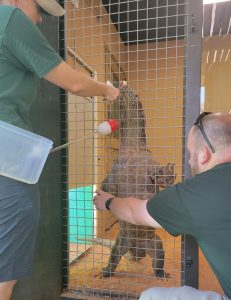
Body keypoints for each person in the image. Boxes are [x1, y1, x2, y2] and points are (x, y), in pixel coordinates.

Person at [0, 0, 119, 299]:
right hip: (7, 157)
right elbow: (74, 84)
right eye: (39, 9)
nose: (40, 20)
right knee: (5, 266)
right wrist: (106, 89)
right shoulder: (9, 17)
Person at [94, 112, 231, 300]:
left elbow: (136, 211)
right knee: (119, 247)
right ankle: (110, 268)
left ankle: (158, 271)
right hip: (127, 233)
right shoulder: (120, 165)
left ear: (203, 154)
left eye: (190, 154)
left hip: (145, 230)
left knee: (150, 296)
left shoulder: (196, 193)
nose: (189, 161)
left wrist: (108, 202)